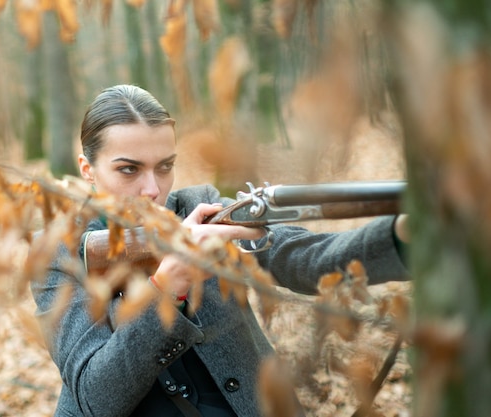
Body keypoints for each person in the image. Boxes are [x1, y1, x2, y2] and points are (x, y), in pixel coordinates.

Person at [31, 84, 410, 417]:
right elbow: (96, 397)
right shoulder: (60, 256)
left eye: (165, 167)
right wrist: (166, 288)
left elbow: (309, 260)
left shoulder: (204, 210)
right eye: (129, 170)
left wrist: (401, 236)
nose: (151, 189)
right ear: (87, 168)